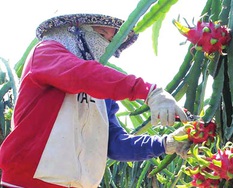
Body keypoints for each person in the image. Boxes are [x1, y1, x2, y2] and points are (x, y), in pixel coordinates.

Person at [0, 13, 191, 187]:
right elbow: (81, 75)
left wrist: (167, 143)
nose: (106, 45)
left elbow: (116, 144)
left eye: (110, 41)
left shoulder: (102, 92)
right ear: (74, 29)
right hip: (25, 183)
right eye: (102, 34)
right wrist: (148, 91)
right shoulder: (45, 53)